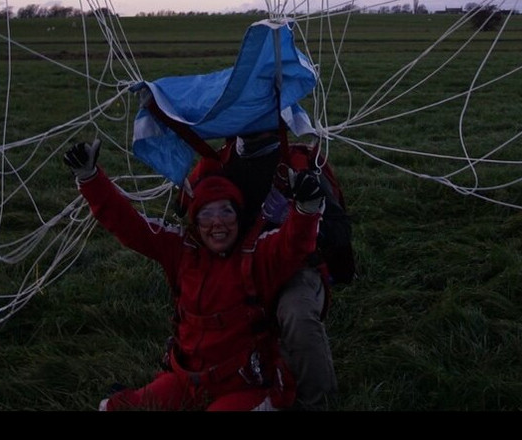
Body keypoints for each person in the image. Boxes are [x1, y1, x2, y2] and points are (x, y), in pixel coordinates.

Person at [65, 137, 326, 411]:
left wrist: (307, 208)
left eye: (226, 212)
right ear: (195, 222)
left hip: (245, 384)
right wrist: (90, 178)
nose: (217, 223)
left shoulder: (258, 254)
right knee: (120, 408)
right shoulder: (180, 249)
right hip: (185, 380)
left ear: (238, 217)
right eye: (206, 214)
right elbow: (130, 226)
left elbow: (294, 243)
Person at [178, 130, 342, 410]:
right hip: (237, 265)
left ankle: (317, 402)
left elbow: (336, 232)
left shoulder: (298, 161)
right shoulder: (220, 161)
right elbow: (185, 210)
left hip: (292, 266)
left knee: (296, 315)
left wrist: (306, 207)